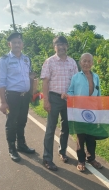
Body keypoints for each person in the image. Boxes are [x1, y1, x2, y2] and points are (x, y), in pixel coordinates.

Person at [40, 36, 78, 171]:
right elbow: (45, 82)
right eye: (58, 44)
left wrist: (73, 98)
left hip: (68, 99)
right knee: (50, 128)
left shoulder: (72, 62)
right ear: (54, 47)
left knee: (65, 128)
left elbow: (75, 82)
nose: (61, 47)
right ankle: (47, 158)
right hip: (54, 98)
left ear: (67, 46)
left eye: (63, 44)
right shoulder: (49, 62)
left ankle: (62, 152)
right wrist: (46, 100)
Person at [0, 32, 35, 162]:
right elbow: (1, 82)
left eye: (19, 42)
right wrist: (3, 102)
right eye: (14, 42)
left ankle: (21, 144)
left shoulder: (26, 59)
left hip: (24, 97)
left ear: (22, 44)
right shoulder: (4, 60)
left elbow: (29, 76)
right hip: (12, 97)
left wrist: (32, 92)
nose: (17, 45)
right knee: (11, 122)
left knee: (22, 120)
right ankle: (12, 148)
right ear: (9, 44)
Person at [62, 53, 102, 172]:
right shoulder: (76, 77)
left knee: (91, 136)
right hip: (80, 112)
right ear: (80, 63)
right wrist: (67, 96)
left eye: (89, 61)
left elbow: (98, 94)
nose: (86, 63)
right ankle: (81, 160)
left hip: (92, 112)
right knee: (81, 137)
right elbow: (71, 91)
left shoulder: (96, 77)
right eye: (84, 61)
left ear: (92, 63)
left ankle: (91, 158)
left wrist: (99, 109)